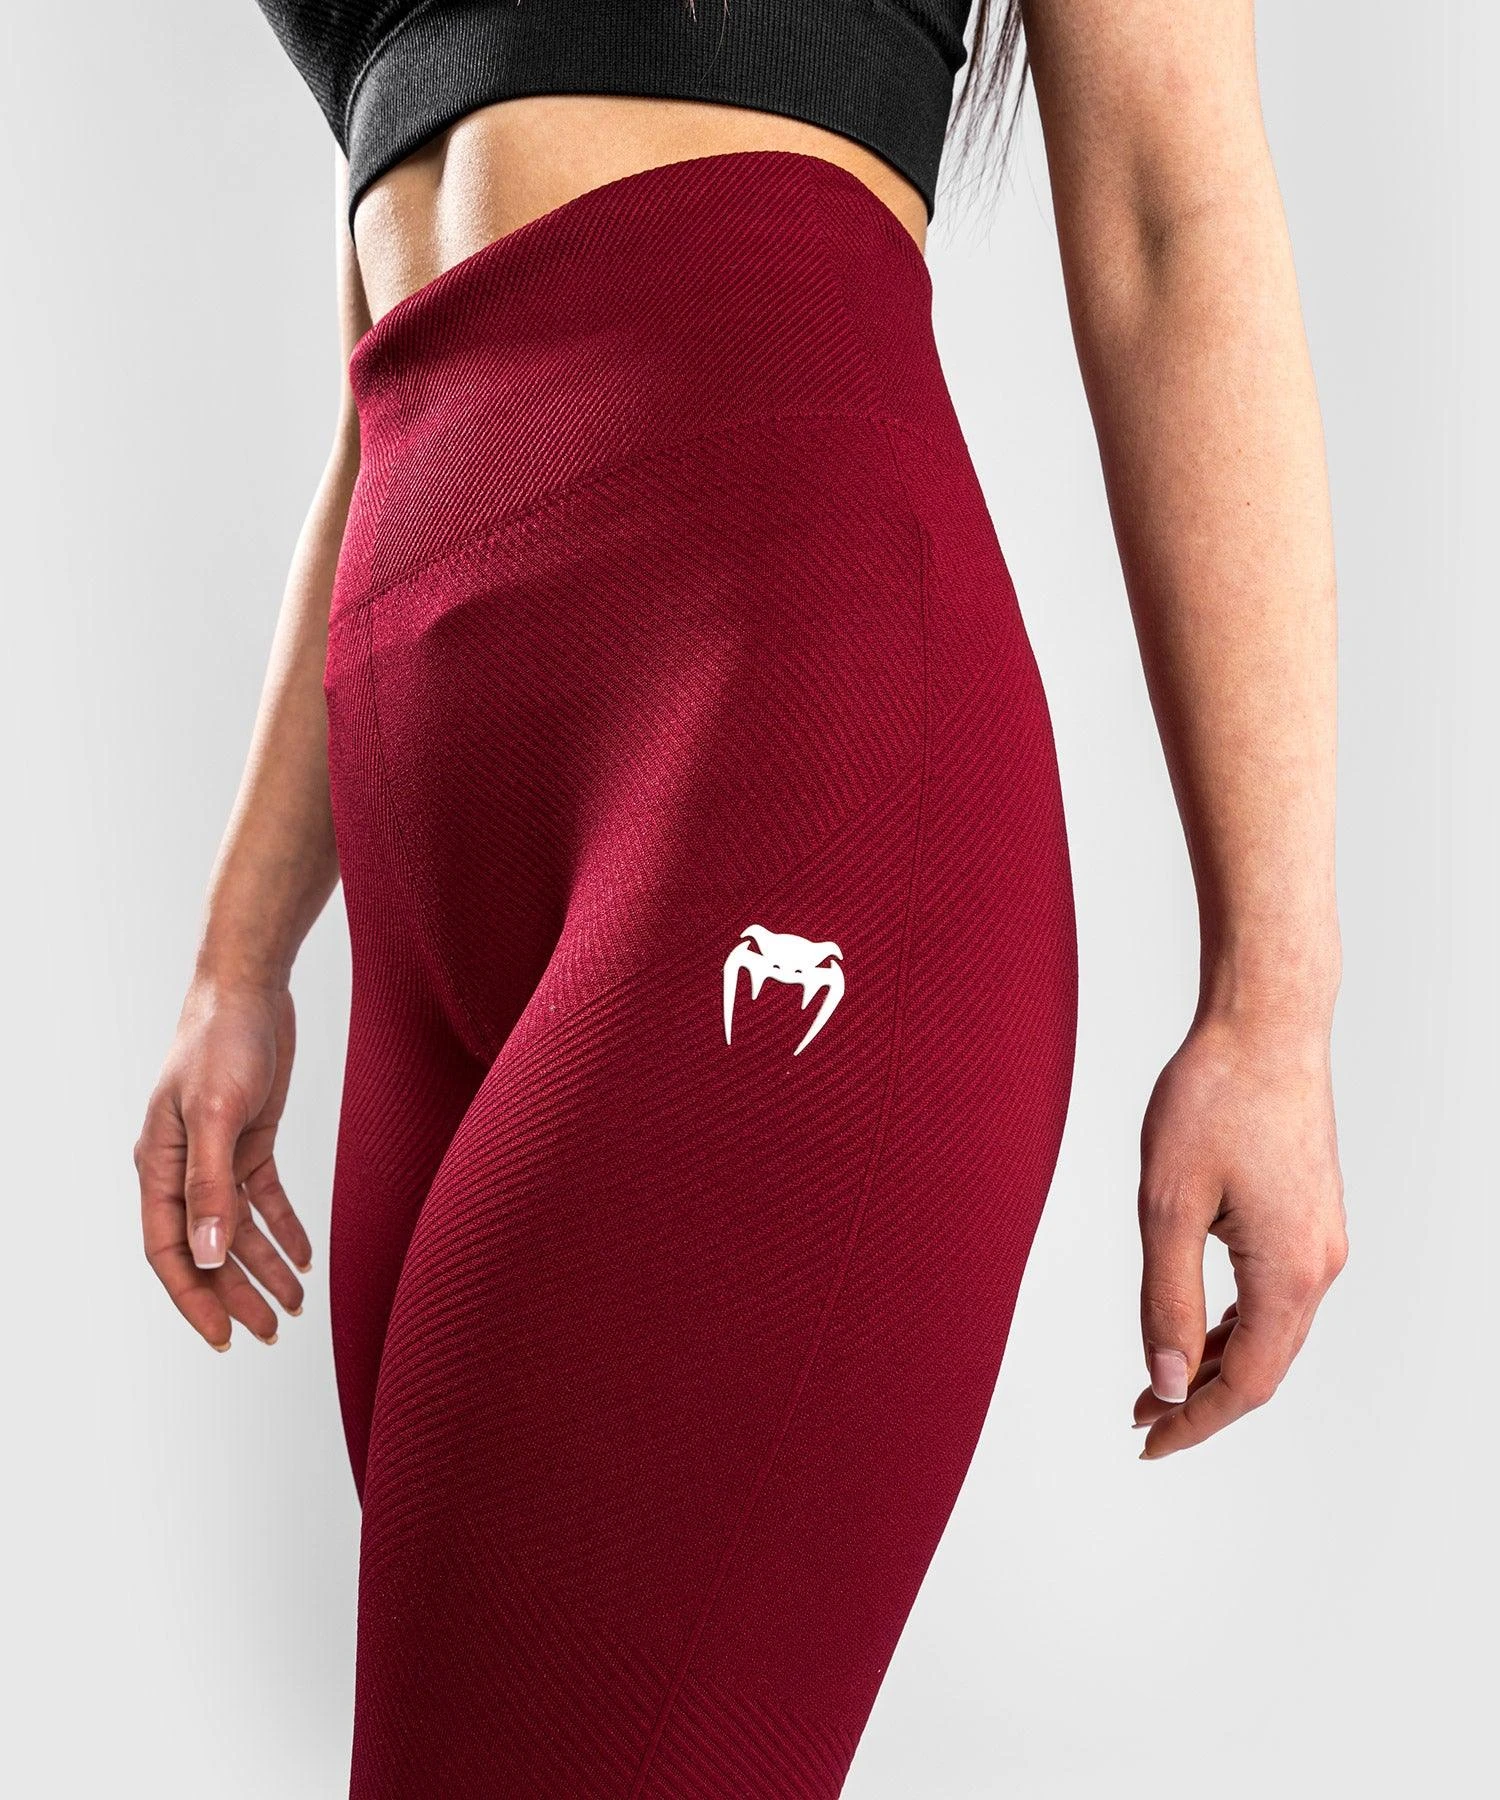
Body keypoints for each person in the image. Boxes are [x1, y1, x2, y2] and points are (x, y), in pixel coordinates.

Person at [133, 2, 1348, 1793]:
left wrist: (1274, 1001)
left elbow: (1177, 210)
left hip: (778, 757)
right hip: (432, 868)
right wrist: (241, 953)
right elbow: (391, 327)